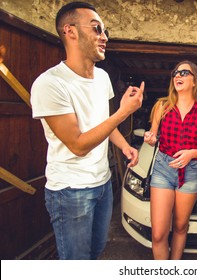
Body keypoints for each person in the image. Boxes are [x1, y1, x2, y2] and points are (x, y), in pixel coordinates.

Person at [30, 1, 144, 260]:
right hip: (71, 191)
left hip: (102, 183)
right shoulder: (50, 84)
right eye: (96, 29)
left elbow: (103, 122)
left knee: (96, 253)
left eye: (104, 31)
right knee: (77, 261)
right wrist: (124, 111)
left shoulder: (102, 77)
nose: (104, 37)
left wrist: (124, 146)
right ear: (70, 31)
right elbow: (79, 145)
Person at [144, 61, 197, 260]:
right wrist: (150, 139)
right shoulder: (162, 107)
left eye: (185, 72)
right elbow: (153, 138)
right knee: (159, 233)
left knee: (179, 226)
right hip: (163, 168)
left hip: (191, 171)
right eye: (176, 72)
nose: (178, 75)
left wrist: (191, 153)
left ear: (195, 81)